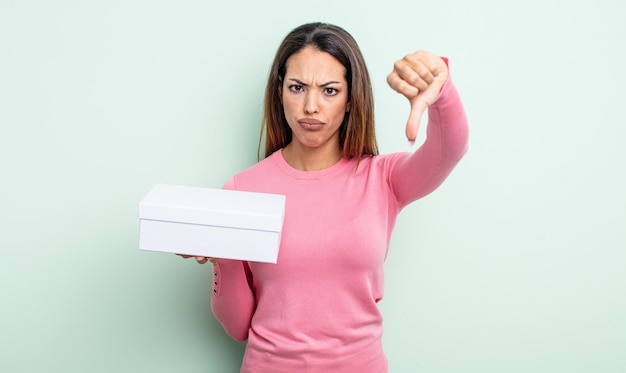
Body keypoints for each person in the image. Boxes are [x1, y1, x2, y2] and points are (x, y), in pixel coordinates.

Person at [181, 22, 469, 372]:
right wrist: (221, 259)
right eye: (297, 88)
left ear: (350, 99)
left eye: (330, 90)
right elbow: (237, 326)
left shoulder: (383, 178)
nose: (311, 106)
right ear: (280, 93)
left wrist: (441, 90)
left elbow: (449, 149)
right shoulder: (243, 190)